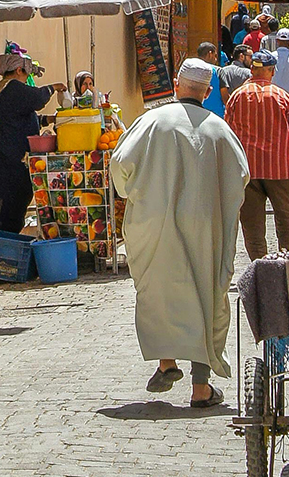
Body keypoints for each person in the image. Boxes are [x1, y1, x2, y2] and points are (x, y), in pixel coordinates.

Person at [111, 58, 249, 408]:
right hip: (206, 224)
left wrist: (132, 192)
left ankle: (167, 363)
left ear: (176, 83)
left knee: (160, 290)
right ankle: (200, 388)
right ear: (207, 91)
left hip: (156, 221)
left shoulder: (151, 121)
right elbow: (241, 175)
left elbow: (120, 165)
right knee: (206, 292)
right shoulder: (219, 128)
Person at [226, 51, 289, 259]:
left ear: (252, 69)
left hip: (248, 172)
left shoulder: (236, 97)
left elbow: (228, 137)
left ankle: (259, 270)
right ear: (271, 71)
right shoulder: (282, 97)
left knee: (252, 228)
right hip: (280, 170)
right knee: (287, 223)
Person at [0, 43, 67, 232]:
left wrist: (48, 120)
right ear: (19, 70)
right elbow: (37, 99)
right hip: (13, 153)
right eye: (26, 75)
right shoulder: (13, 88)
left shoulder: (6, 90)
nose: (27, 80)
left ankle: (8, 234)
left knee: (12, 198)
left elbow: (21, 117)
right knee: (12, 198)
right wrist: (54, 87)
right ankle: (8, 239)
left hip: (8, 149)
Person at [197, 42, 225, 117]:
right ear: (210, 54)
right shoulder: (218, 71)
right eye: (215, 55)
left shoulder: (190, 69)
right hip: (216, 115)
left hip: (196, 114)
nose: (216, 59)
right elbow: (224, 95)